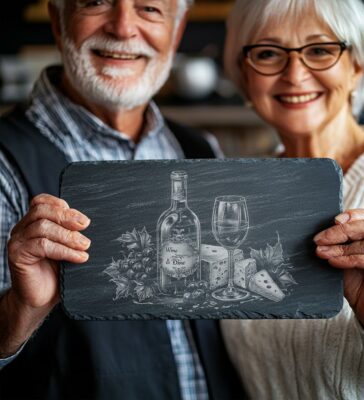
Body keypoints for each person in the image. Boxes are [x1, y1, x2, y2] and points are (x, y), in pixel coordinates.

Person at [0, 1, 244, 399]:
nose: (123, 27)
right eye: (96, 2)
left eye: (149, 8)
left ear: (176, 32)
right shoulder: (4, 160)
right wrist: (21, 309)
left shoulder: (199, 149)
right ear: (58, 22)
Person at [222, 0, 364, 399]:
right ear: (245, 77)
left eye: (320, 50)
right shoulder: (234, 196)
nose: (295, 74)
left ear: (356, 67)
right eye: (268, 53)